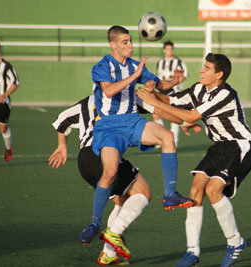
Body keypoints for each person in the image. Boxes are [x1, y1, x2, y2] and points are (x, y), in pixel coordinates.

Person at [136, 53, 251, 267]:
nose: (201, 70)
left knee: (213, 190)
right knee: (195, 191)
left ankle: (235, 242)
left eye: (207, 68)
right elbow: (171, 100)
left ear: (219, 75)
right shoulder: (199, 89)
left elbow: (190, 116)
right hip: (218, 148)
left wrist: (154, 101)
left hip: (239, 147)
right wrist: (148, 93)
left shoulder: (225, 94)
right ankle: (192, 252)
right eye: (203, 66)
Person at [48, 95, 199, 265]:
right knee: (143, 193)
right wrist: (184, 122)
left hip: (84, 162)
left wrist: (62, 146)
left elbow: (62, 120)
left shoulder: (87, 101)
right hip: (103, 153)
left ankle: (108, 254)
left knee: (122, 200)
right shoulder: (126, 98)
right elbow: (158, 110)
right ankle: (113, 234)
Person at [86, 25, 193, 256]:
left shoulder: (136, 65)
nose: (131, 46)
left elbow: (156, 84)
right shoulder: (102, 66)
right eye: (125, 42)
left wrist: (168, 82)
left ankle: (170, 195)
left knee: (167, 136)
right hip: (109, 127)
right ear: (113, 45)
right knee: (110, 173)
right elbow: (108, 91)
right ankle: (95, 223)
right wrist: (134, 78)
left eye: (131, 41)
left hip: (132, 122)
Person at [152, 40, 188, 148]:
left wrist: (173, 80)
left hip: (174, 92)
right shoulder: (160, 62)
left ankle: (173, 141)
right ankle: (161, 139)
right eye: (167, 49)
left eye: (171, 49)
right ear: (164, 50)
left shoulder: (178, 62)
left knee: (173, 115)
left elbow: (184, 76)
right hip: (161, 91)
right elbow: (158, 76)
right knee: (155, 113)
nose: (169, 51)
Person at [0, 40, 20, 162]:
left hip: (1, 103)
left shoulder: (6, 66)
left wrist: (4, 95)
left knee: (3, 129)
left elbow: (16, 83)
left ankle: (8, 147)